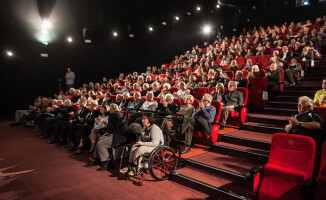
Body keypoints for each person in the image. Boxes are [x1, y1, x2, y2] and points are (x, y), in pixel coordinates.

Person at [85, 103, 128, 171]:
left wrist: (105, 129)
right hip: (120, 135)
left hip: (118, 137)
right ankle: (97, 159)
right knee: (100, 139)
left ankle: (107, 163)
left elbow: (109, 129)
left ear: (110, 110)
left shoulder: (112, 114)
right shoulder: (121, 114)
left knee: (100, 143)